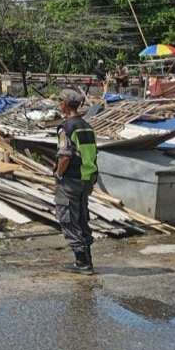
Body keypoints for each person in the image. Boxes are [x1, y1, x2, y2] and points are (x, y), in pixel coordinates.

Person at [54, 89, 99, 274]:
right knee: (81, 218)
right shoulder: (87, 127)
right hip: (87, 179)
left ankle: (82, 262)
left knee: (68, 219)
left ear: (65, 104)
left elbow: (65, 156)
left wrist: (58, 174)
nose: (59, 104)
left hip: (71, 180)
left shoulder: (66, 128)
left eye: (59, 101)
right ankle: (87, 259)